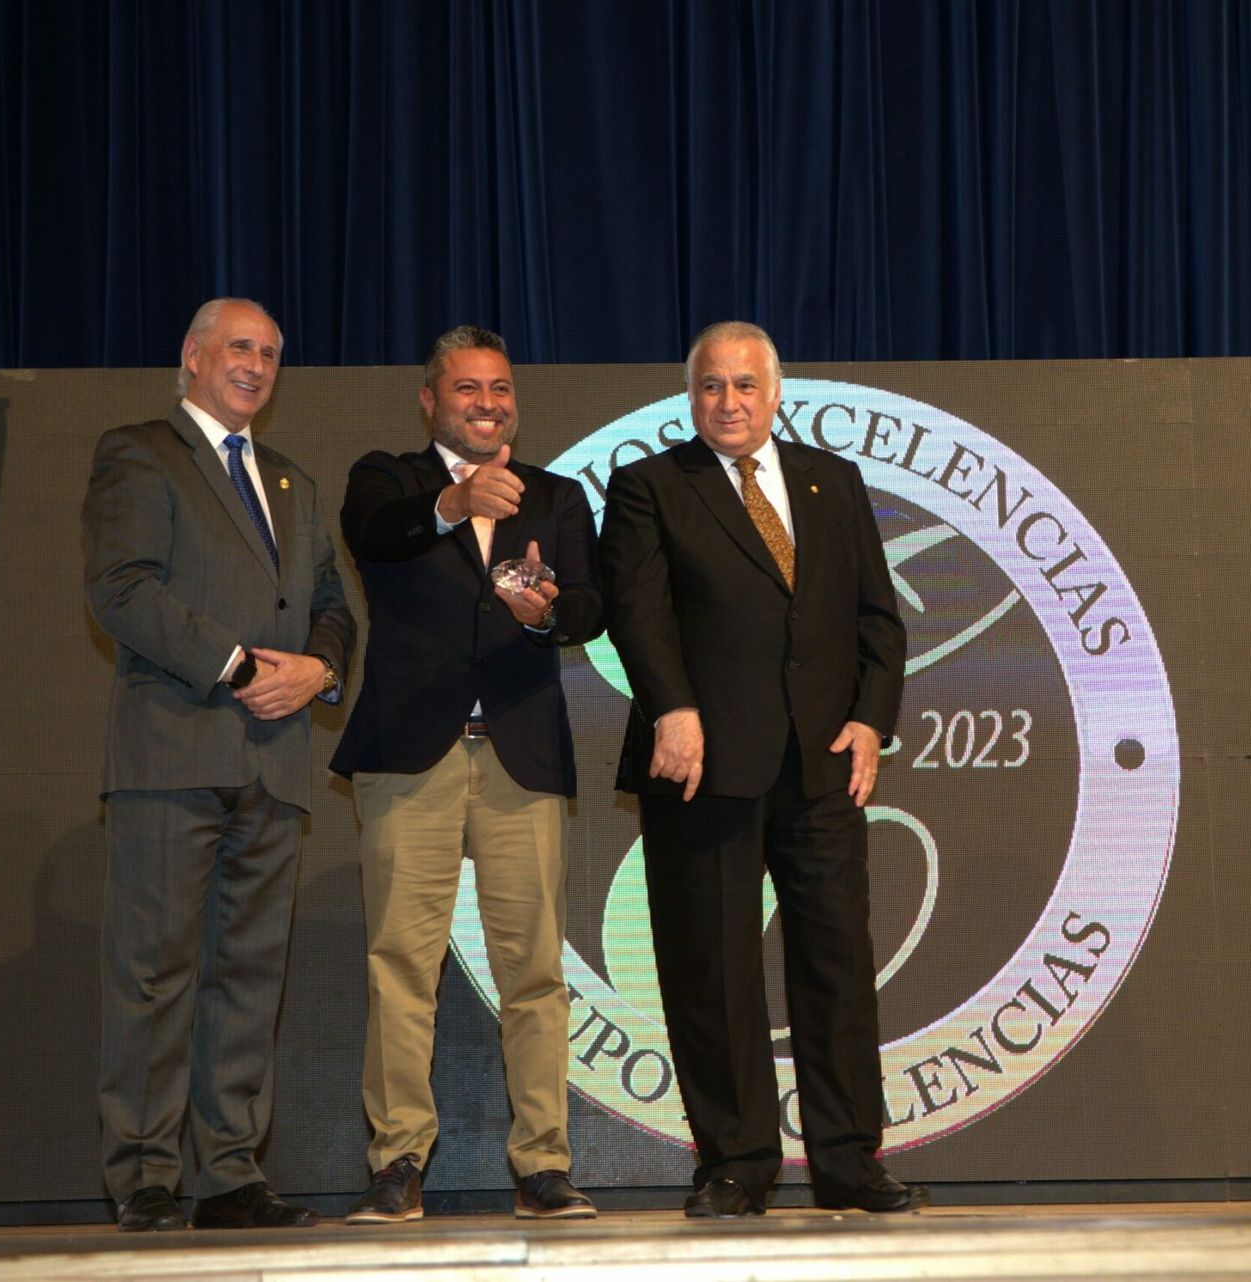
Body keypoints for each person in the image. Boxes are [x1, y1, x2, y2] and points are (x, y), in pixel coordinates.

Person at [598, 321, 922, 1217]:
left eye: (745, 386)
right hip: (699, 763)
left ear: (775, 393)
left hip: (821, 768)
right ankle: (737, 1162)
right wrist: (673, 708)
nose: (729, 402)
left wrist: (869, 720)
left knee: (837, 965)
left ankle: (849, 1162)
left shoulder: (833, 481)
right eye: (711, 387)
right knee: (713, 969)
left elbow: (877, 620)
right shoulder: (649, 487)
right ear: (688, 395)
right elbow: (638, 612)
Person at [83, 297, 355, 1232]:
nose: (256, 365)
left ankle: (231, 1174)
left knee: (248, 977)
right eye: (240, 347)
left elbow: (333, 605)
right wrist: (237, 664)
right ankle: (146, 1176)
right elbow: (120, 589)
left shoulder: (291, 482)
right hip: (173, 751)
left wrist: (320, 670)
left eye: (272, 353)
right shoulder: (139, 451)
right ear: (194, 355)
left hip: (275, 765)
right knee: (153, 973)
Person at [330, 325, 603, 1223]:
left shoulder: (557, 496)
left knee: (535, 971)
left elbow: (590, 609)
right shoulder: (391, 480)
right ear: (431, 400)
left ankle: (543, 1166)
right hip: (413, 753)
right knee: (401, 965)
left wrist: (544, 612)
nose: (487, 404)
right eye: (467, 390)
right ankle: (397, 1161)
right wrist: (454, 502)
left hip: (521, 754)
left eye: (499, 389)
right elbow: (376, 532)